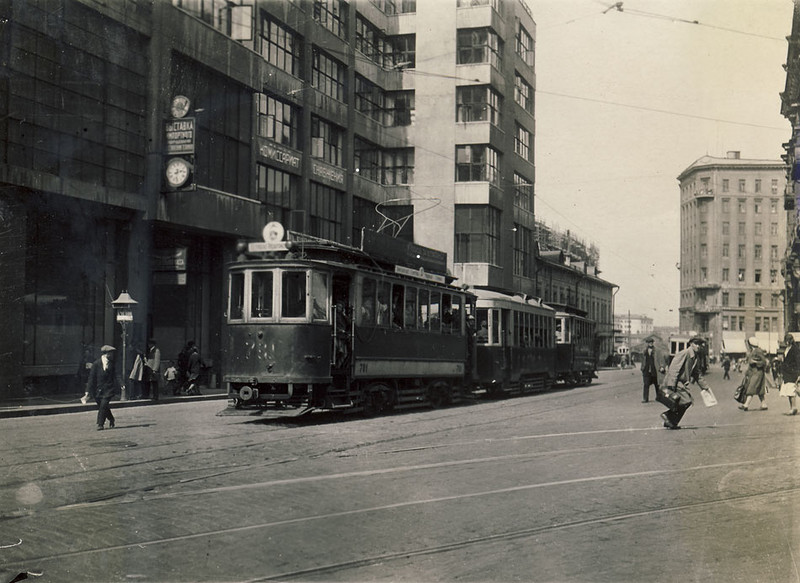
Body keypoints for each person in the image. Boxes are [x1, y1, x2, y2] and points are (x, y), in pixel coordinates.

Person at [658, 336, 712, 429]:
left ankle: (671, 421)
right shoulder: (684, 353)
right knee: (686, 401)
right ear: (691, 344)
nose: (698, 346)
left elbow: (697, 374)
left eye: (700, 344)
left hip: (681, 383)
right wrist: (672, 385)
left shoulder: (695, 357)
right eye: (696, 344)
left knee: (685, 402)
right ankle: (668, 416)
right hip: (676, 381)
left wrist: (705, 387)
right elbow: (674, 369)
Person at [86, 345, 121, 431]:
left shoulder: (112, 364)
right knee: (103, 406)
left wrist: (122, 384)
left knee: (103, 406)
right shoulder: (96, 364)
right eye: (111, 353)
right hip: (98, 390)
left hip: (108, 389)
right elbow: (91, 378)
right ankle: (111, 418)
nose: (112, 355)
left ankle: (100, 424)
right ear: (106, 354)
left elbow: (117, 375)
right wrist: (87, 391)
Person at [739, 337, 769, 411]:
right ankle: (764, 404)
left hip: (757, 372)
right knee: (759, 389)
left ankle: (746, 405)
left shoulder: (758, 351)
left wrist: (755, 362)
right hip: (754, 372)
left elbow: (764, 362)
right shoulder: (754, 351)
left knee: (751, 388)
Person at [780, 333, 800, 415]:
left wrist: (799, 374)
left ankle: (794, 407)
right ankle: (792, 407)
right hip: (787, 373)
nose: (786, 342)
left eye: (787, 340)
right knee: (789, 391)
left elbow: (798, 362)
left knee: (791, 390)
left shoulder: (795, 349)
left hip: (793, 372)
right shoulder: (787, 348)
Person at [640, 337, 665, 403]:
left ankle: (659, 397)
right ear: (647, 343)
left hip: (655, 370)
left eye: (651, 342)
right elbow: (643, 360)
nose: (650, 344)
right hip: (646, 370)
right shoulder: (644, 351)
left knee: (657, 384)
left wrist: (662, 366)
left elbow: (661, 359)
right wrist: (642, 368)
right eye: (649, 343)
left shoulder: (657, 351)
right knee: (646, 384)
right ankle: (645, 398)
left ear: (653, 343)